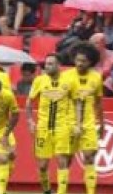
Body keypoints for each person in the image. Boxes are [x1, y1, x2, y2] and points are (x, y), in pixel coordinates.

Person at [26, 54, 78, 194]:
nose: (46, 67)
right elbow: (29, 103)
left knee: (62, 162)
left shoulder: (70, 81)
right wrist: (30, 120)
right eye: (46, 64)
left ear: (58, 65)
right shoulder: (39, 81)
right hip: (43, 128)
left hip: (62, 127)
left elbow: (77, 102)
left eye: (50, 64)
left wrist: (76, 123)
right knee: (42, 166)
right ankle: (47, 190)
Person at [63, 43, 104, 194]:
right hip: (69, 123)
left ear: (90, 62)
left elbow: (99, 103)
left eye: (83, 61)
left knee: (89, 156)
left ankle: (91, 191)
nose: (79, 63)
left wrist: (102, 123)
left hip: (88, 123)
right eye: (77, 60)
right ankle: (62, 190)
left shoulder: (96, 77)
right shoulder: (66, 76)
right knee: (66, 159)